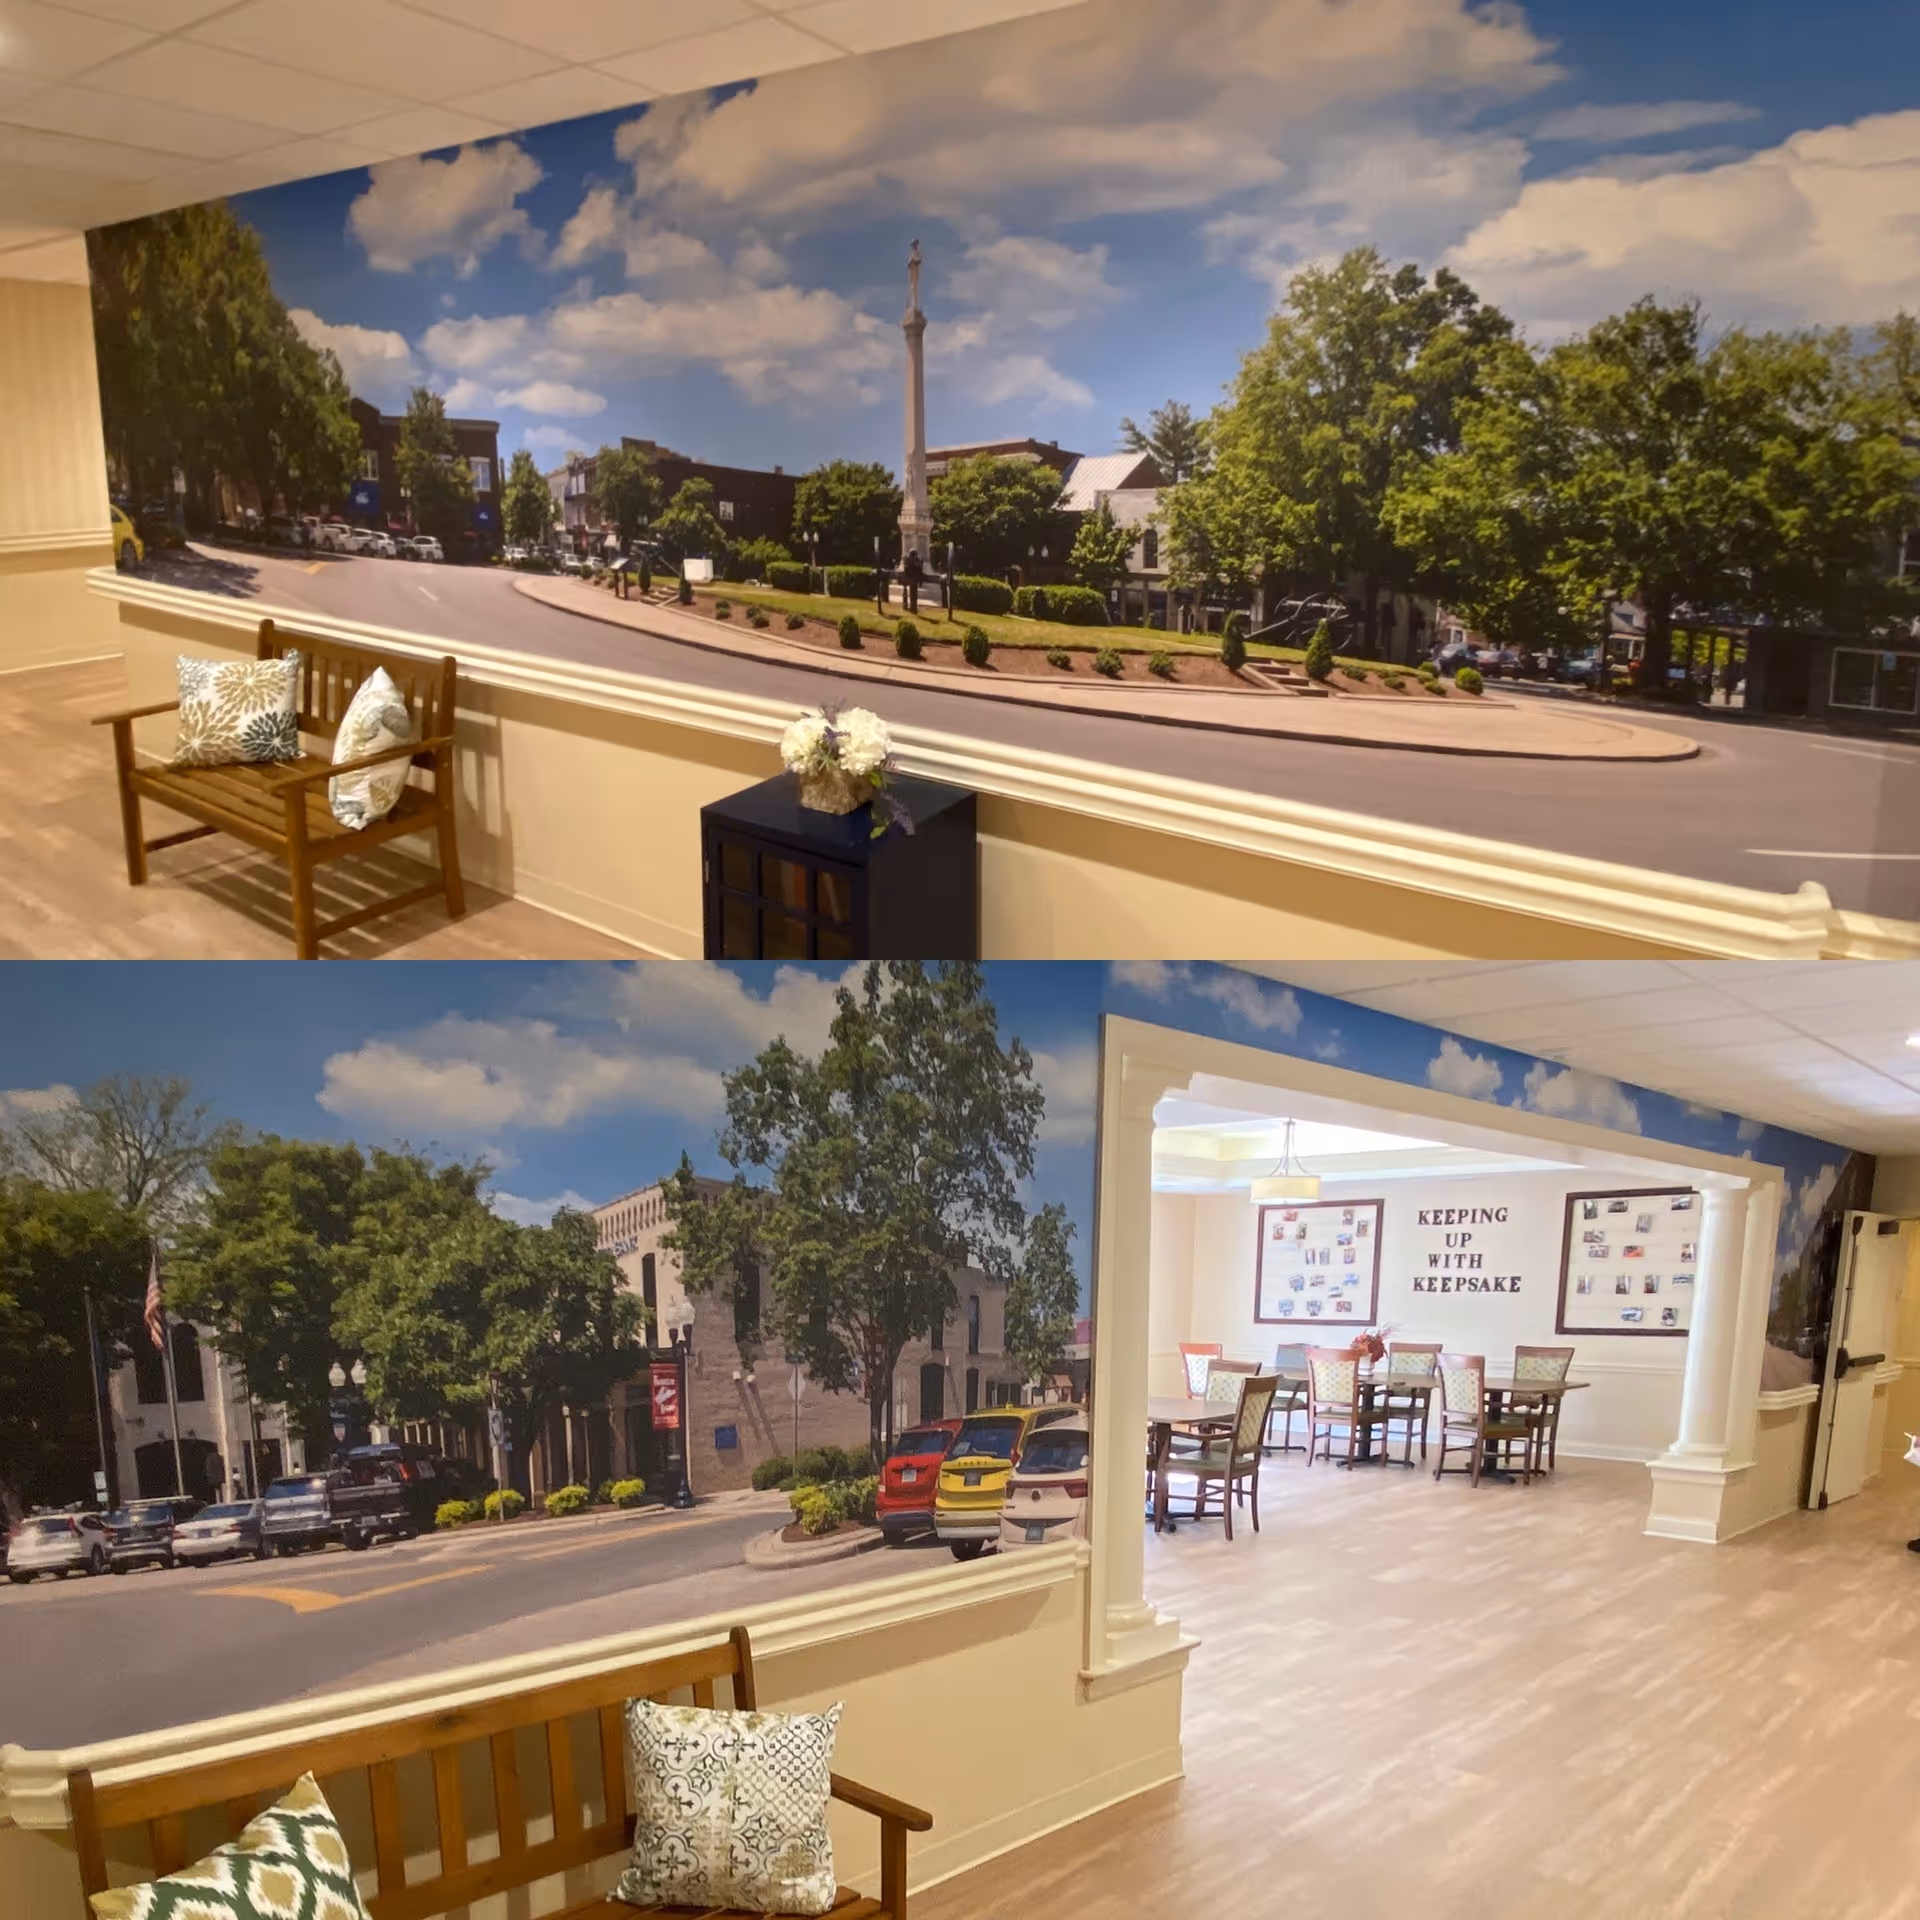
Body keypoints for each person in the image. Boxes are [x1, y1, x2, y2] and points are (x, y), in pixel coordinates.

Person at [902, 547, 924, 616]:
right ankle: (913, 608)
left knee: (911, 594)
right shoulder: (912, 560)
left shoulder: (907, 559)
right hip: (913, 579)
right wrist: (921, 562)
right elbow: (917, 565)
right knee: (913, 595)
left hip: (908, 578)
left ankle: (908, 606)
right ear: (914, 554)